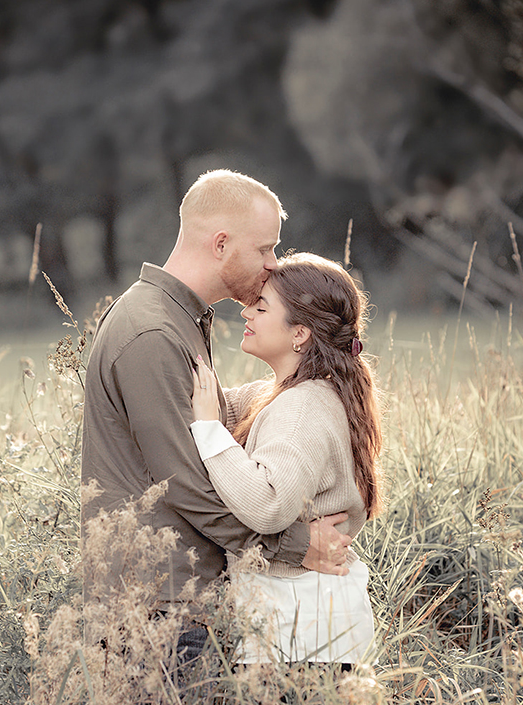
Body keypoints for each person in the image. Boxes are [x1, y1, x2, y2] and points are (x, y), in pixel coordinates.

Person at [81, 169, 354, 665]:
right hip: (156, 610)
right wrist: (297, 545)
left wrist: (314, 385)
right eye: (265, 249)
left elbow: (210, 416)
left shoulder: (177, 319)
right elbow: (184, 483)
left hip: (179, 603)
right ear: (222, 244)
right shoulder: (153, 333)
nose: (272, 265)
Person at [190, 250, 383, 666]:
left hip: (301, 630)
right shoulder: (290, 395)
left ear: (300, 333)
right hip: (308, 623)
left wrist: (207, 429)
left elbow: (269, 503)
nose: (246, 313)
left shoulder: (302, 409)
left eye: (261, 308)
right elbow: (232, 408)